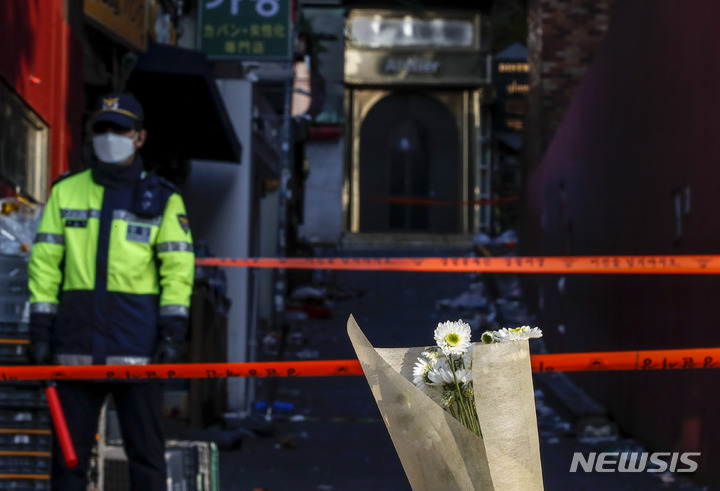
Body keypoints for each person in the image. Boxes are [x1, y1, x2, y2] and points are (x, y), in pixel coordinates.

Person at [27, 93, 195, 490]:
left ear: (139, 138)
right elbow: (45, 264)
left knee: (147, 461)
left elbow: (178, 269)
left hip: (138, 350)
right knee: (68, 465)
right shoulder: (65, 192)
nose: (109, 137)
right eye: (101, 128)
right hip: (74, 347)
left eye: (119, 129)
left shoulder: (164, 199)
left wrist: (173, 333)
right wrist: (39, 330)